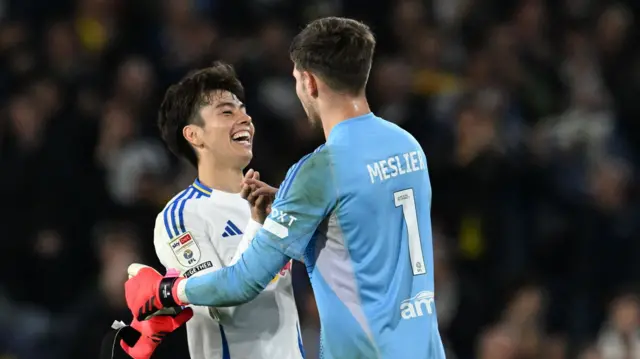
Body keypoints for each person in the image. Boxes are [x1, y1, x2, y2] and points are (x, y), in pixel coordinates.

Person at [125, 17, 446, 359]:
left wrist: (166, 292)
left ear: (309, 81)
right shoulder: (407, 145)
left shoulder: (319, 170)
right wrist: (294, 208)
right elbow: (366, 220)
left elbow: (242, 282)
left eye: (295, 79)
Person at [108, 62, 305, 359]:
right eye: (228, 111)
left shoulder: (268, 200)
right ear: (194, 135)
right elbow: (223, 305)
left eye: (243, 109)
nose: (246, 118)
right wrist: (258, 226)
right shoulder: (182, 215)